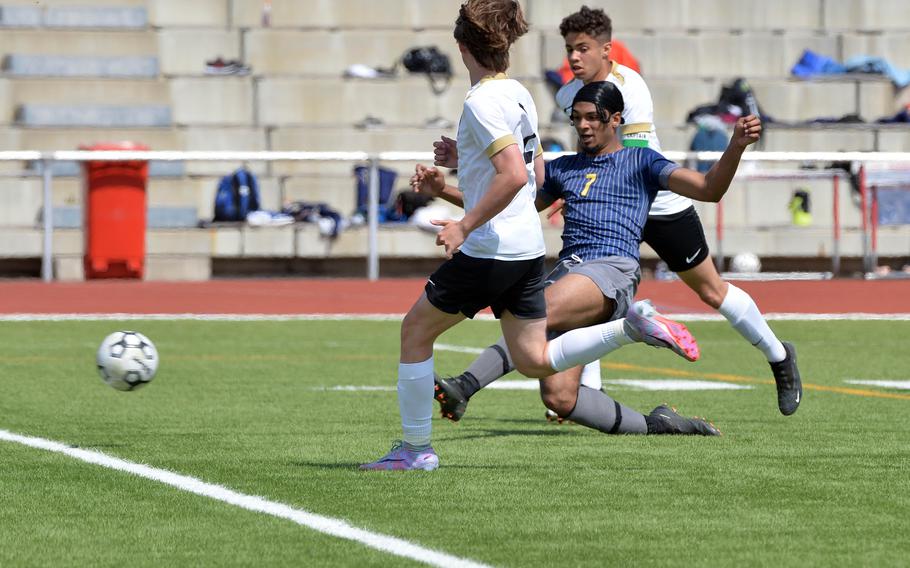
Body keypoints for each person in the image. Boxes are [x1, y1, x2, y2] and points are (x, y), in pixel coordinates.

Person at [361, 1, 703, 472]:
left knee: (415, 331)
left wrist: (464, 223)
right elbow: (535, 168)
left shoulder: (479, 101)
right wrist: (459, 165)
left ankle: (415, 450)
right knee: (537, 361)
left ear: (462, 47)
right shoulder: (519, 94)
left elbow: (511, 177)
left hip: (489, 250)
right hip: (527, 250)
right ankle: (630, 328)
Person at [435, 5, 802, 422]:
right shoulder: (566, 97)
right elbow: (526, 177)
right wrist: (462, 169)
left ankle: (777, 355)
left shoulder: (629, 89)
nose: (574, 58)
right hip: (600, 211)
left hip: (654, 203)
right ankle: (593, 392)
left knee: (710, 291)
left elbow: (630, 163)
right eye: (569, 49)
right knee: (562, 364)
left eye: (583, 49)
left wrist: (577, 186)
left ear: (607, 50)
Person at [429, 80, 763, 440]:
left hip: (611, 273)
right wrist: (442, 188)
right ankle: (659, 425)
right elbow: (509, 202)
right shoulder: (564, 168)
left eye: (593, 118)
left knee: (537, 312)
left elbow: (709, 189)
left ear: (616, 118)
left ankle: (465, 385)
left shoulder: (642, 160)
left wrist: (736, 146)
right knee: (559, 397)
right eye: (577, 119)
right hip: (568, 277)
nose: (584, 126)